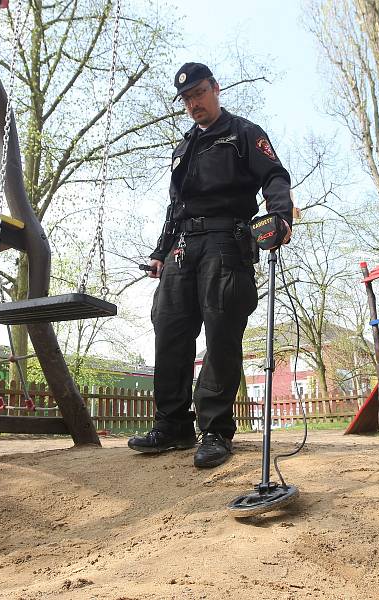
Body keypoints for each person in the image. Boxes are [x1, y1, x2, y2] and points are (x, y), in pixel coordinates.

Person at [128, 62, 293, 468]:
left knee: (221, 332)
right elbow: (175, 206)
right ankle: (172, 425)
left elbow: (274, 176)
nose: (193, 103)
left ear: (215, 89)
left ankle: (215, 430)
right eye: (186, 98)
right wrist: (160, 250)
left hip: (226, 242)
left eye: (199, 93)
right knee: (168, 327)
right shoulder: (183, 148)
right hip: (183, 247)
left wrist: (281, 216)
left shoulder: (243, 134)